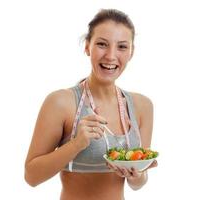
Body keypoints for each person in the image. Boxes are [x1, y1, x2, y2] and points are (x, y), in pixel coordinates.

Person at [24, 8, 157, 200]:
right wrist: (76, 144)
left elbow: (138, 183)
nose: (111, 56)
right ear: (87, 46)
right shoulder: (61, 103)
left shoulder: (142, 106)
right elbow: (31, 176)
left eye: (122, 47)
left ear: (131, 52)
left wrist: (137, 175)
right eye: (102, 44)